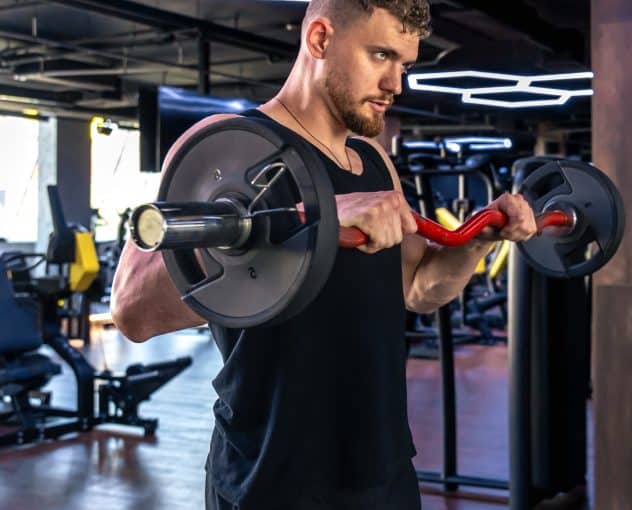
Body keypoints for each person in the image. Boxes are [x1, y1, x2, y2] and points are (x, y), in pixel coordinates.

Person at [109, 1, 537, 508]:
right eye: (380, 55)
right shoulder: (228, 145)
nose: (396, 84)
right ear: (319, 40)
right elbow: (130, 310)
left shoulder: (374, 161)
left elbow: (419, 287)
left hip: (384, 471)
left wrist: (482, 237)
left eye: (404, 64)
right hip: (268, 477)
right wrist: (318, 219)